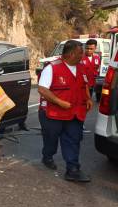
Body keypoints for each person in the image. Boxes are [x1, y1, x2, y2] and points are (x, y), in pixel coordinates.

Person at [38, 40, 93, 182]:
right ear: (71, 53)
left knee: (73, 140)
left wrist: (88, 98)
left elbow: (84, 85)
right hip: (53, 114)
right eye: (81, 53)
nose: (83, 55)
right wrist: (59, 102)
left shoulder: (81, 67)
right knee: (51, 140)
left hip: (74, 113)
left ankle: (72, 170)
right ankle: (47, 156)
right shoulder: (52, 68)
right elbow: (42, 89)